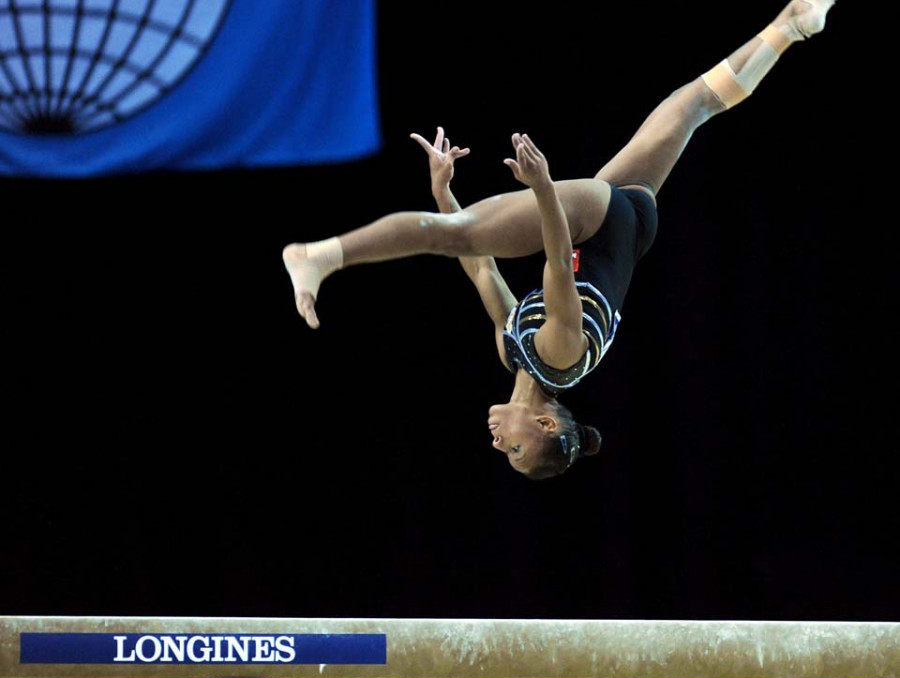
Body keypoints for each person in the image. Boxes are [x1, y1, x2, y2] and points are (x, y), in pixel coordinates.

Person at [283, 0, 836, 480]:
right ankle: (319, 256)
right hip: (593, 226)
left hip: (627, 226)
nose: (500, 445)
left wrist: (443, 191)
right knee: (452, 236)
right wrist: (545, 189)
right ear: (547, 421)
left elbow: (481, 269)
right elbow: (554, 260)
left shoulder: (513, 352)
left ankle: (788, 27)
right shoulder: (560, 357)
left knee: (694, 106)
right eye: (518, 449)